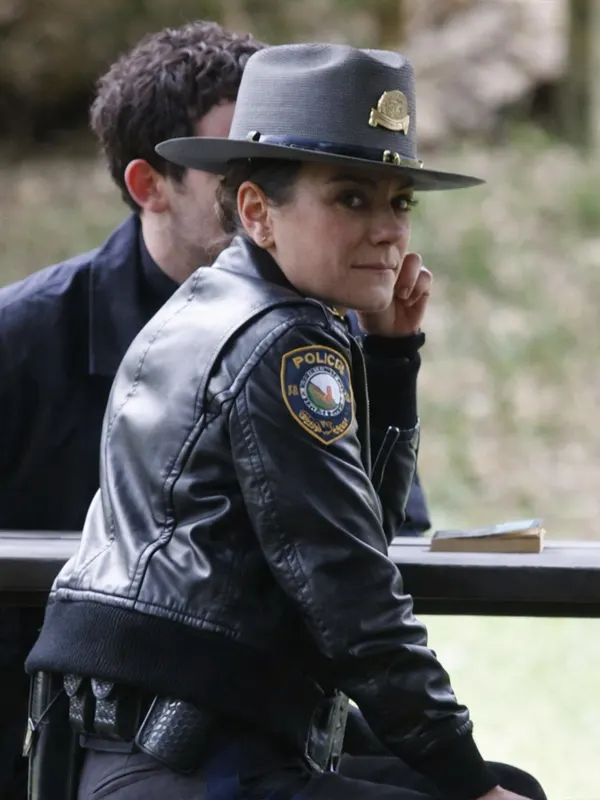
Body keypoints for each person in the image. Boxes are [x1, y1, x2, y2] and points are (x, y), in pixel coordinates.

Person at [26, 43, 546, 800]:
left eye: (401, 202)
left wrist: (391, 362)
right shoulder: (285, 344)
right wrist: (468, 782)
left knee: (511, 783)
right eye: (351, 198)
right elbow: (354, 597)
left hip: (165, 748)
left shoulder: (215, 303)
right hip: (193, 761)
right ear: (256, 212)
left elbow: (357, 533)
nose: (389, 231)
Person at [0, 21, 265, 800]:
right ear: (149, 185)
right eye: (234, 168)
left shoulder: (317, 329)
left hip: (262, 724)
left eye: (281, 162)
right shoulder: (21, 340)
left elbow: (397, 532)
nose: (266, 193)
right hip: (46, 734)